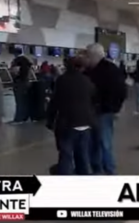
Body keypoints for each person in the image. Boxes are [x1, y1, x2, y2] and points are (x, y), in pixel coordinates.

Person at [46, 56, 95, 175]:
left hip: (67, 123)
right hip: (85, 123)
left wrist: (50, 120)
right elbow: (93, 98)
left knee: (66, 155)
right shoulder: (87, 80)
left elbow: (55, 102)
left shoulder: (62, 80)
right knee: (83, 156)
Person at [85, 43, 126, 175]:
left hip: (104, 112)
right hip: (93, 112)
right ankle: (97, 168)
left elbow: (121, 91)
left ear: (93, 56)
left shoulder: (110, 70)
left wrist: (115, 108)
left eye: (88, 56)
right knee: (93, 142)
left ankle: (109, 169)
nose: (86, 59)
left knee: (104, 141)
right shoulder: (91, 70)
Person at [10, 48, 33, 124]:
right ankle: (25, 118)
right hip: (26, 82)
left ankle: (18, 119)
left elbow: (15, 72)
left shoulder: (17, 61)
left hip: (19, 83)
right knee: (24, 101)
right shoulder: (26, 60)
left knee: (19, 101)